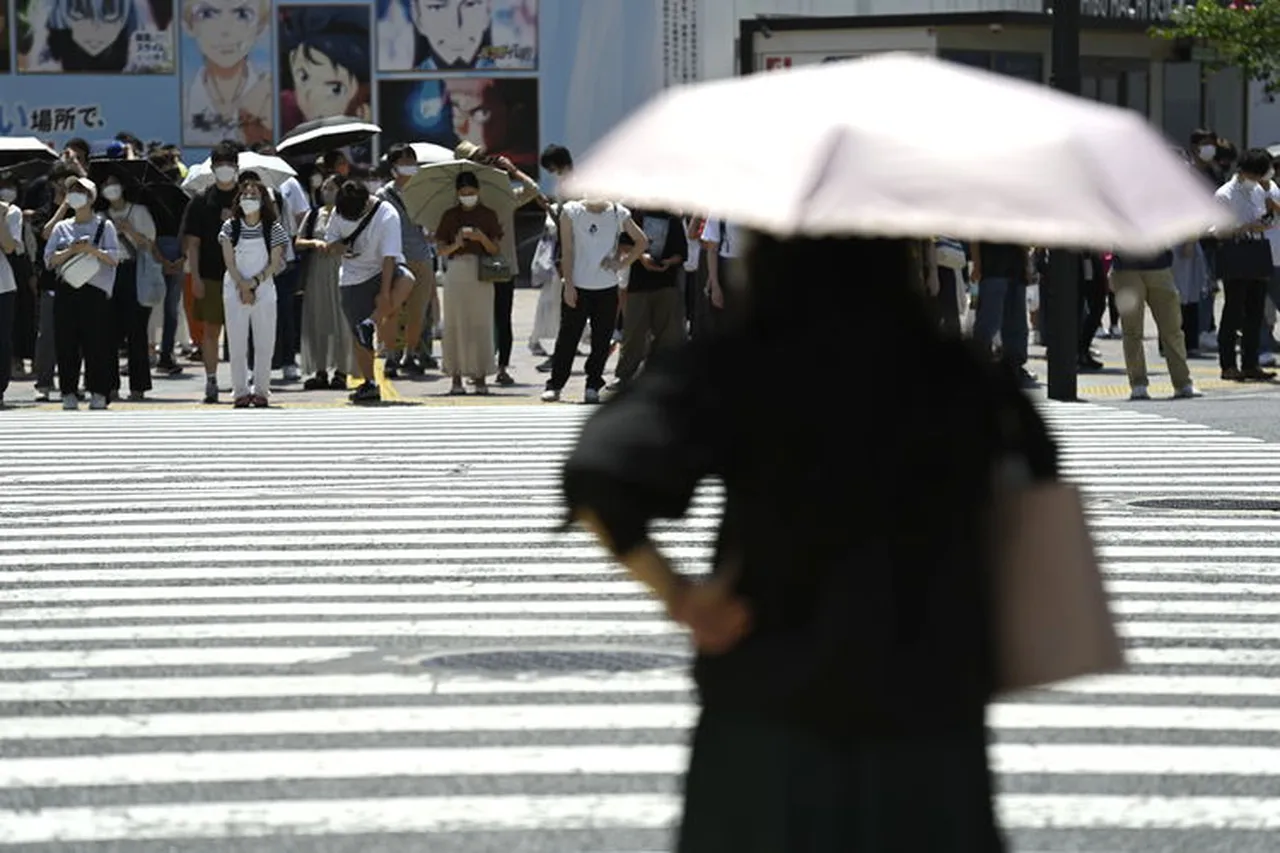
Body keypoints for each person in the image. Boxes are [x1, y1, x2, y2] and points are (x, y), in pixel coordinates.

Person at [560, 233, 1059, 853]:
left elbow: (601, 470)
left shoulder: (740, 365)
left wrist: (680, 596)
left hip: (770, 695)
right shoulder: (961, 375)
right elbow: (1038, 481)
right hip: (927, 703)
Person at [541, 198, 649, 404]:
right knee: (568, 338)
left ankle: (593, 385)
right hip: (578, 286)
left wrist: (621, 263)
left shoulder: (618, 213)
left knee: (601, 340)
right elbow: (567, 251)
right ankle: (555, 385)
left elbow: (641, 241)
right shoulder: (571, 211)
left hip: (607, 287)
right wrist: (569, 285)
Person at [325, 179, 415, 404]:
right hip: (352, 277)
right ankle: (369, 383)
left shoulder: (387, 214)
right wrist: (342, 248)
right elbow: (330, 244)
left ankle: (372, 321)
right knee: (359, 336)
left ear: (366, 203)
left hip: (382, 268)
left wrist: (385, 294)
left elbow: (389, 257)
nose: (350, 219)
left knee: (407, 280)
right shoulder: (340, 211)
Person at [44, 176, 120, 411]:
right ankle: (68, 391)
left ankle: (98, 391)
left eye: (81, 191)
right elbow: (49, 260)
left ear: (91, 197)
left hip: (95, 291)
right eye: (72, 191)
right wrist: (71, 250)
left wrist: (91, 250)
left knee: (96, 343)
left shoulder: (105, 226)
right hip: (67, 290)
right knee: (66, 342)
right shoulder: (62, 227)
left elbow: (114, 258)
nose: (75, 196)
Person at [219, 178, 288, 408]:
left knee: (265, 342)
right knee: (237, 343)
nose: (249, 198)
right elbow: (229, 261)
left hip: (264, 289)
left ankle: (261, 391)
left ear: (263, 200)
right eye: (245, 194)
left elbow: (274, 263)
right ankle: (240, 391)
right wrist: (242, 285)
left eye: (254, 194)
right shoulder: (230, 226)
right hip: (234, 288)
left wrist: (254, 283)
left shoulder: (274, 228)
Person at [181, 141, 241, 404]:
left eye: (229, 163)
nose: (225, 168)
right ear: (213, 167)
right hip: (210, 275)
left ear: (236, 167)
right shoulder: (201, 200)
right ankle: (211, 380)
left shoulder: (248, 198)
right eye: (220, 164)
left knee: (241, 332)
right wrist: (194, 277)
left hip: (243, 276)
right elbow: (192, 243)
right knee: (211, 331)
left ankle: (242, 380)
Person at [435, 171, 503, 395]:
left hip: (481, 272)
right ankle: (455, 377)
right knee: (454, 323)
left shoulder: (488, 215)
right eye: (463, 193)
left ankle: (480, 375)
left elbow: (495, 249)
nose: (468, 196)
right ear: (457, 193)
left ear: (478, 191)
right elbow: (441, 250)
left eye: (471, 192)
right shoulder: (449, 215)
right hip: (456, 271)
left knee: (481, 323)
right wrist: (457, 243)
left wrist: (481, 238)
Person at [1213, 148, 1275, 382]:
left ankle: (1250, 363)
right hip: (1235, 252)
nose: (1258, 179)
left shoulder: (1258, 190)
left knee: (1255, 311)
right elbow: (1218, 231)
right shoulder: (1224, 194)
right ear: (1244, 170)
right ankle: (1228, 364)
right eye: (1256, 174)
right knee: (1233, 310)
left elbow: (1261, 216)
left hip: (1257, 250)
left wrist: (1264, 222)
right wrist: (1246, 227)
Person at [100, 174, 159, 401]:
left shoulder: (139, 211)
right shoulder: (100, 216)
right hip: (109, 271)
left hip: (134, 270)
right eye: (106, 185)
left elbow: (149, 243)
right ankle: (110, 385)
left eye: (114, 183)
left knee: (137, 330)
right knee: (108, 332)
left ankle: (139, 386)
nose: (111, 188)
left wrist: (129, 231)